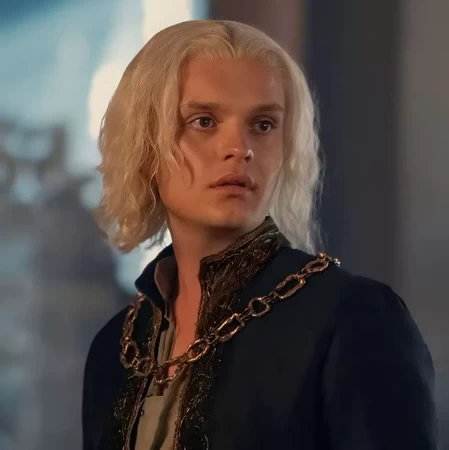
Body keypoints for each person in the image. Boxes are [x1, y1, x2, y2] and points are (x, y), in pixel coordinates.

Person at [82, 19, 437, 450]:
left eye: (264, 124)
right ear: (146, 143)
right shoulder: (117, 347)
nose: (240, 148)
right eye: (204, 121)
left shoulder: (352, 318)